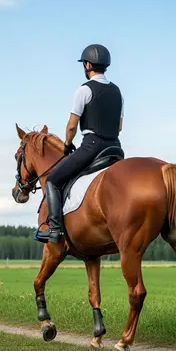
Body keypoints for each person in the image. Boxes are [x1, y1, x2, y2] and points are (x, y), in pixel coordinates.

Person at [34, 44, 124, 243]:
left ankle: (55, 229)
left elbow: (71, 126)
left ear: (88, 65)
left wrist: (67, 144)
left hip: (92, 146)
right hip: (116, 149)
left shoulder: (84, 90)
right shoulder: (118, 92)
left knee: (53, 180)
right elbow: (119, 127)